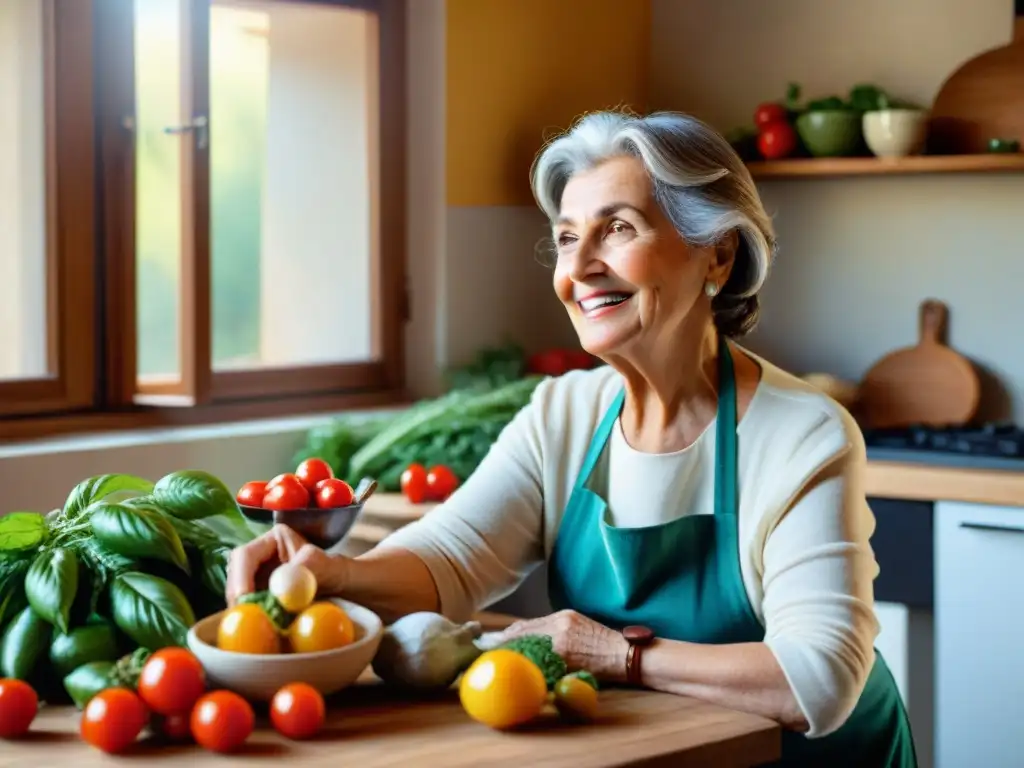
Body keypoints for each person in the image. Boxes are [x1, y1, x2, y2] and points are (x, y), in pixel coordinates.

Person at [226, 110, 916, 766]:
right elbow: (451, 561)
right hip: (670, 756)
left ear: (717, 256)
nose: (577, 267)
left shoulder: (801, 435)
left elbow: (816, 682)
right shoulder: (563, 414)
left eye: (616, 228)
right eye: (565, 236)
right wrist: (335, 574)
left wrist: (609, 653)